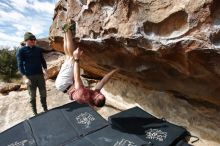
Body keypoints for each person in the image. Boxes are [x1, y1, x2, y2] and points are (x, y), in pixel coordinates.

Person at [16, 32, 48, 115]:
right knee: (32, 96)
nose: (33, 41)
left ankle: (45, 109)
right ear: (26, 40)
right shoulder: (21, 51)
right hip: (30, 77)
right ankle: (35, 113)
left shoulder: (38, 49)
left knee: (43, 93)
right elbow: (20, 65)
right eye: (31, 39)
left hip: (40, 75)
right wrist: (25, 77)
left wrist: (45, 70)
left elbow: (42, 60)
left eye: (34, 39)